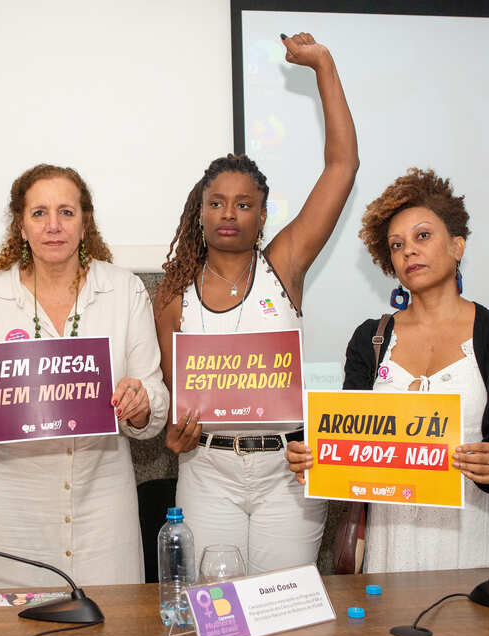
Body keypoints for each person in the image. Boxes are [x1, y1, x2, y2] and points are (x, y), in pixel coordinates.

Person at [154, 32, 358, 574]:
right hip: (209, 469)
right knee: (214, 616)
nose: (229, 213)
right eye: (216, 203)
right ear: (199, 212)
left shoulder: (283, 266)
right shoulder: (174, 293)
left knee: (285, 617)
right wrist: (174, 433)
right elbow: (178, 401)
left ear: (262, 216)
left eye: (244, 204)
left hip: (286, 468)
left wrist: (323, 67)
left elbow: (342, 166)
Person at [287, 168, 489, 572]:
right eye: (396, 245)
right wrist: (314, 456)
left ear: (457, 245)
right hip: (391, 541)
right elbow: (348, 437)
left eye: (422, 236)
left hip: (475, 536)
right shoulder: (371, 338)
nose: (408, 251)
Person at [0, 164, 168, 588]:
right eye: (39, 213)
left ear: (85, 223)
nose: (53, 226)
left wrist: (141, 404)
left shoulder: (125, 290)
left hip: (100, 505)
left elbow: (154, 395)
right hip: (5, 510)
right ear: (21, 226)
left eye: (66, 212)